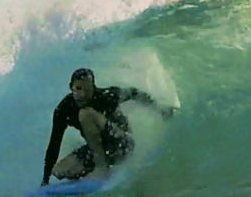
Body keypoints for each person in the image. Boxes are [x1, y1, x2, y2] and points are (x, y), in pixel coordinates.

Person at [41, 68, 175, 186]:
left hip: (122, 144)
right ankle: (92, 175)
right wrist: (45, 180)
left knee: (85, 114)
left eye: (87, 90)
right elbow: (54, 145)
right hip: (100, 150)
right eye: (78, 89)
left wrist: (160, 109)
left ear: (93, 87)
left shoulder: (106, 96)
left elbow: (133, 93)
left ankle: (102, 168)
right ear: (71, 87)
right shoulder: (63, 110)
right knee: (58, 170)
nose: (82, 94)